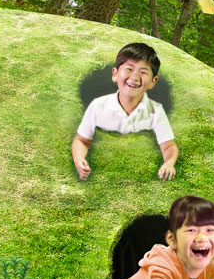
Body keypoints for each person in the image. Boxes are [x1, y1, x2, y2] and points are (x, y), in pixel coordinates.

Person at [72, 43, 178, 181]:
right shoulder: (98, 106)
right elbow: (81, 140)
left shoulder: (155, 111)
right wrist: (79, 159)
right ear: (115, 74)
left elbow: (169, 145)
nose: (134, 77)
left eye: (143, 72)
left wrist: (169, 163)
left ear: (153, 81)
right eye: (129, 69)